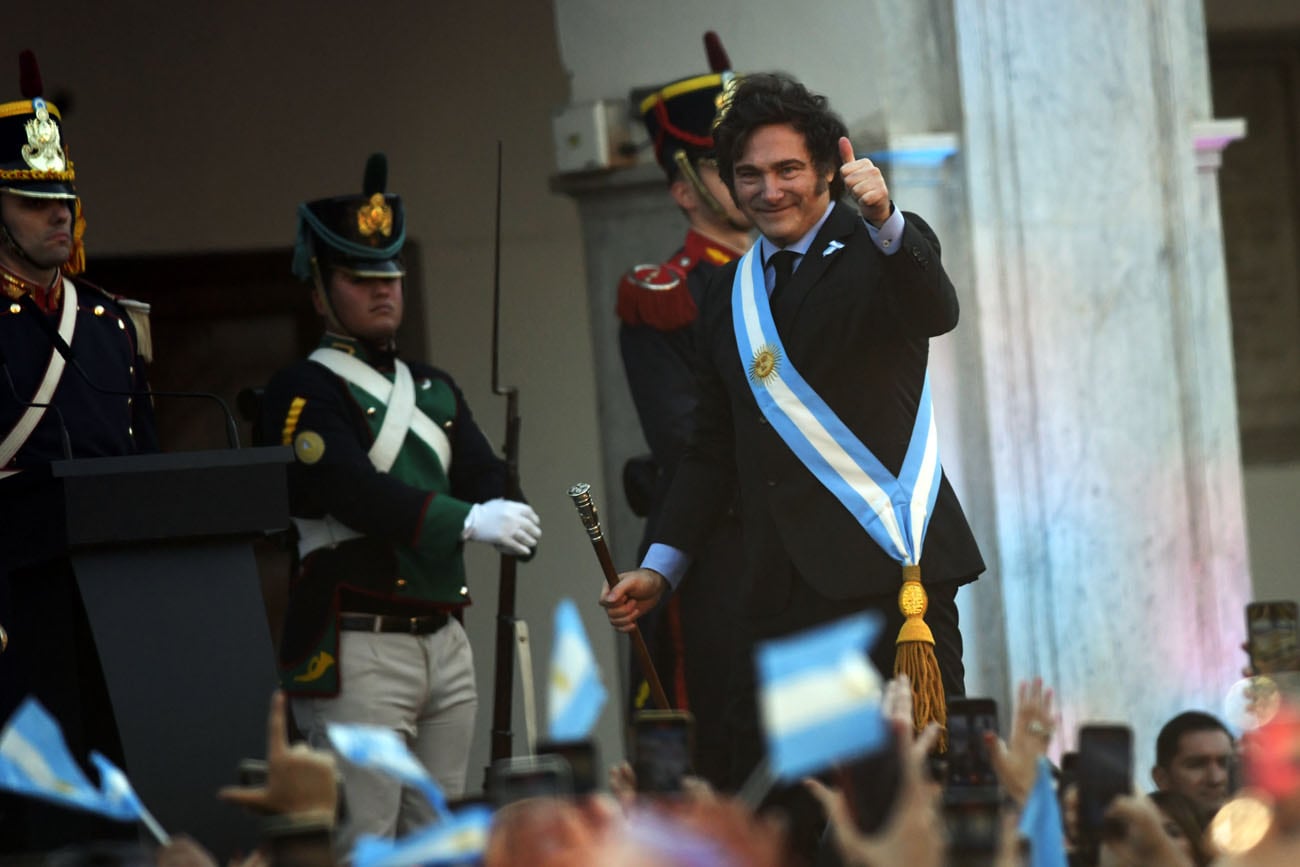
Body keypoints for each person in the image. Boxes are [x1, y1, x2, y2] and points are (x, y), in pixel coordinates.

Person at [601, 72, 985, 854]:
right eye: (749, 174)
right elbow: (711, 447)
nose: (769, 190)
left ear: (825, 168)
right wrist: (663, 564)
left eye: (787, 171)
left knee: (915, 802)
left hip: (891, 580)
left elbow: (934, 308)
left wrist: (882, 215)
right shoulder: (728, 292)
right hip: (790, 593)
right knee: (809, 808)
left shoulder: (876, 246)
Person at [257, 153, 540, 848]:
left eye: (391, 277)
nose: (383, 293)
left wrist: (509, 501)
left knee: (437, 836)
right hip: (359, 642)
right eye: (360, 278)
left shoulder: (435, 388)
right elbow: (351, 489)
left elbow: (483, 470)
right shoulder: (303, 391)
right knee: (367, 837)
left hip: (444, 638)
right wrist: (470, 519)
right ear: (320, 290)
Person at [0, 50, 157, 852]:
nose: (58, 214)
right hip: (18, 599)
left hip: (118, 593)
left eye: (63, 197)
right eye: (33, 200)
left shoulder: (106, 320)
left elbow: (148, 455)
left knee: (122, 796)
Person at [615, 32, 752, 789]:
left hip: (810, 554)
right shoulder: (664, 295)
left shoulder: (796, 272)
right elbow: (685, 437)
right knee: (722, 770)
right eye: (727, 166)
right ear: (684, 186)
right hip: (717, 550)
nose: (749, 182)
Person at [1150, 711, 1236, 816]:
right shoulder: (1136, 830)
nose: (1215, 779)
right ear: (1162, 778)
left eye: (1224, 764)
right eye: (1197, 765)